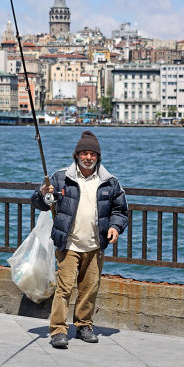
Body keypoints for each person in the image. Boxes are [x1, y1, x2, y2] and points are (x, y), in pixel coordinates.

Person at [31, 131, 128, 348]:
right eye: (83, 153)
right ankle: (58, 330)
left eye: (92, 154)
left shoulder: (110, 182)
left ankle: (84, 325)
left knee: (90, 287)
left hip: (95, 244)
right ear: (76, 156)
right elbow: (40, 203)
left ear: (98, 157)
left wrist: (115, 227)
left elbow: (120, 210)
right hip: (68, 243)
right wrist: (43, 194)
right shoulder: (60, 177)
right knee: (65, 288)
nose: (88, 157)